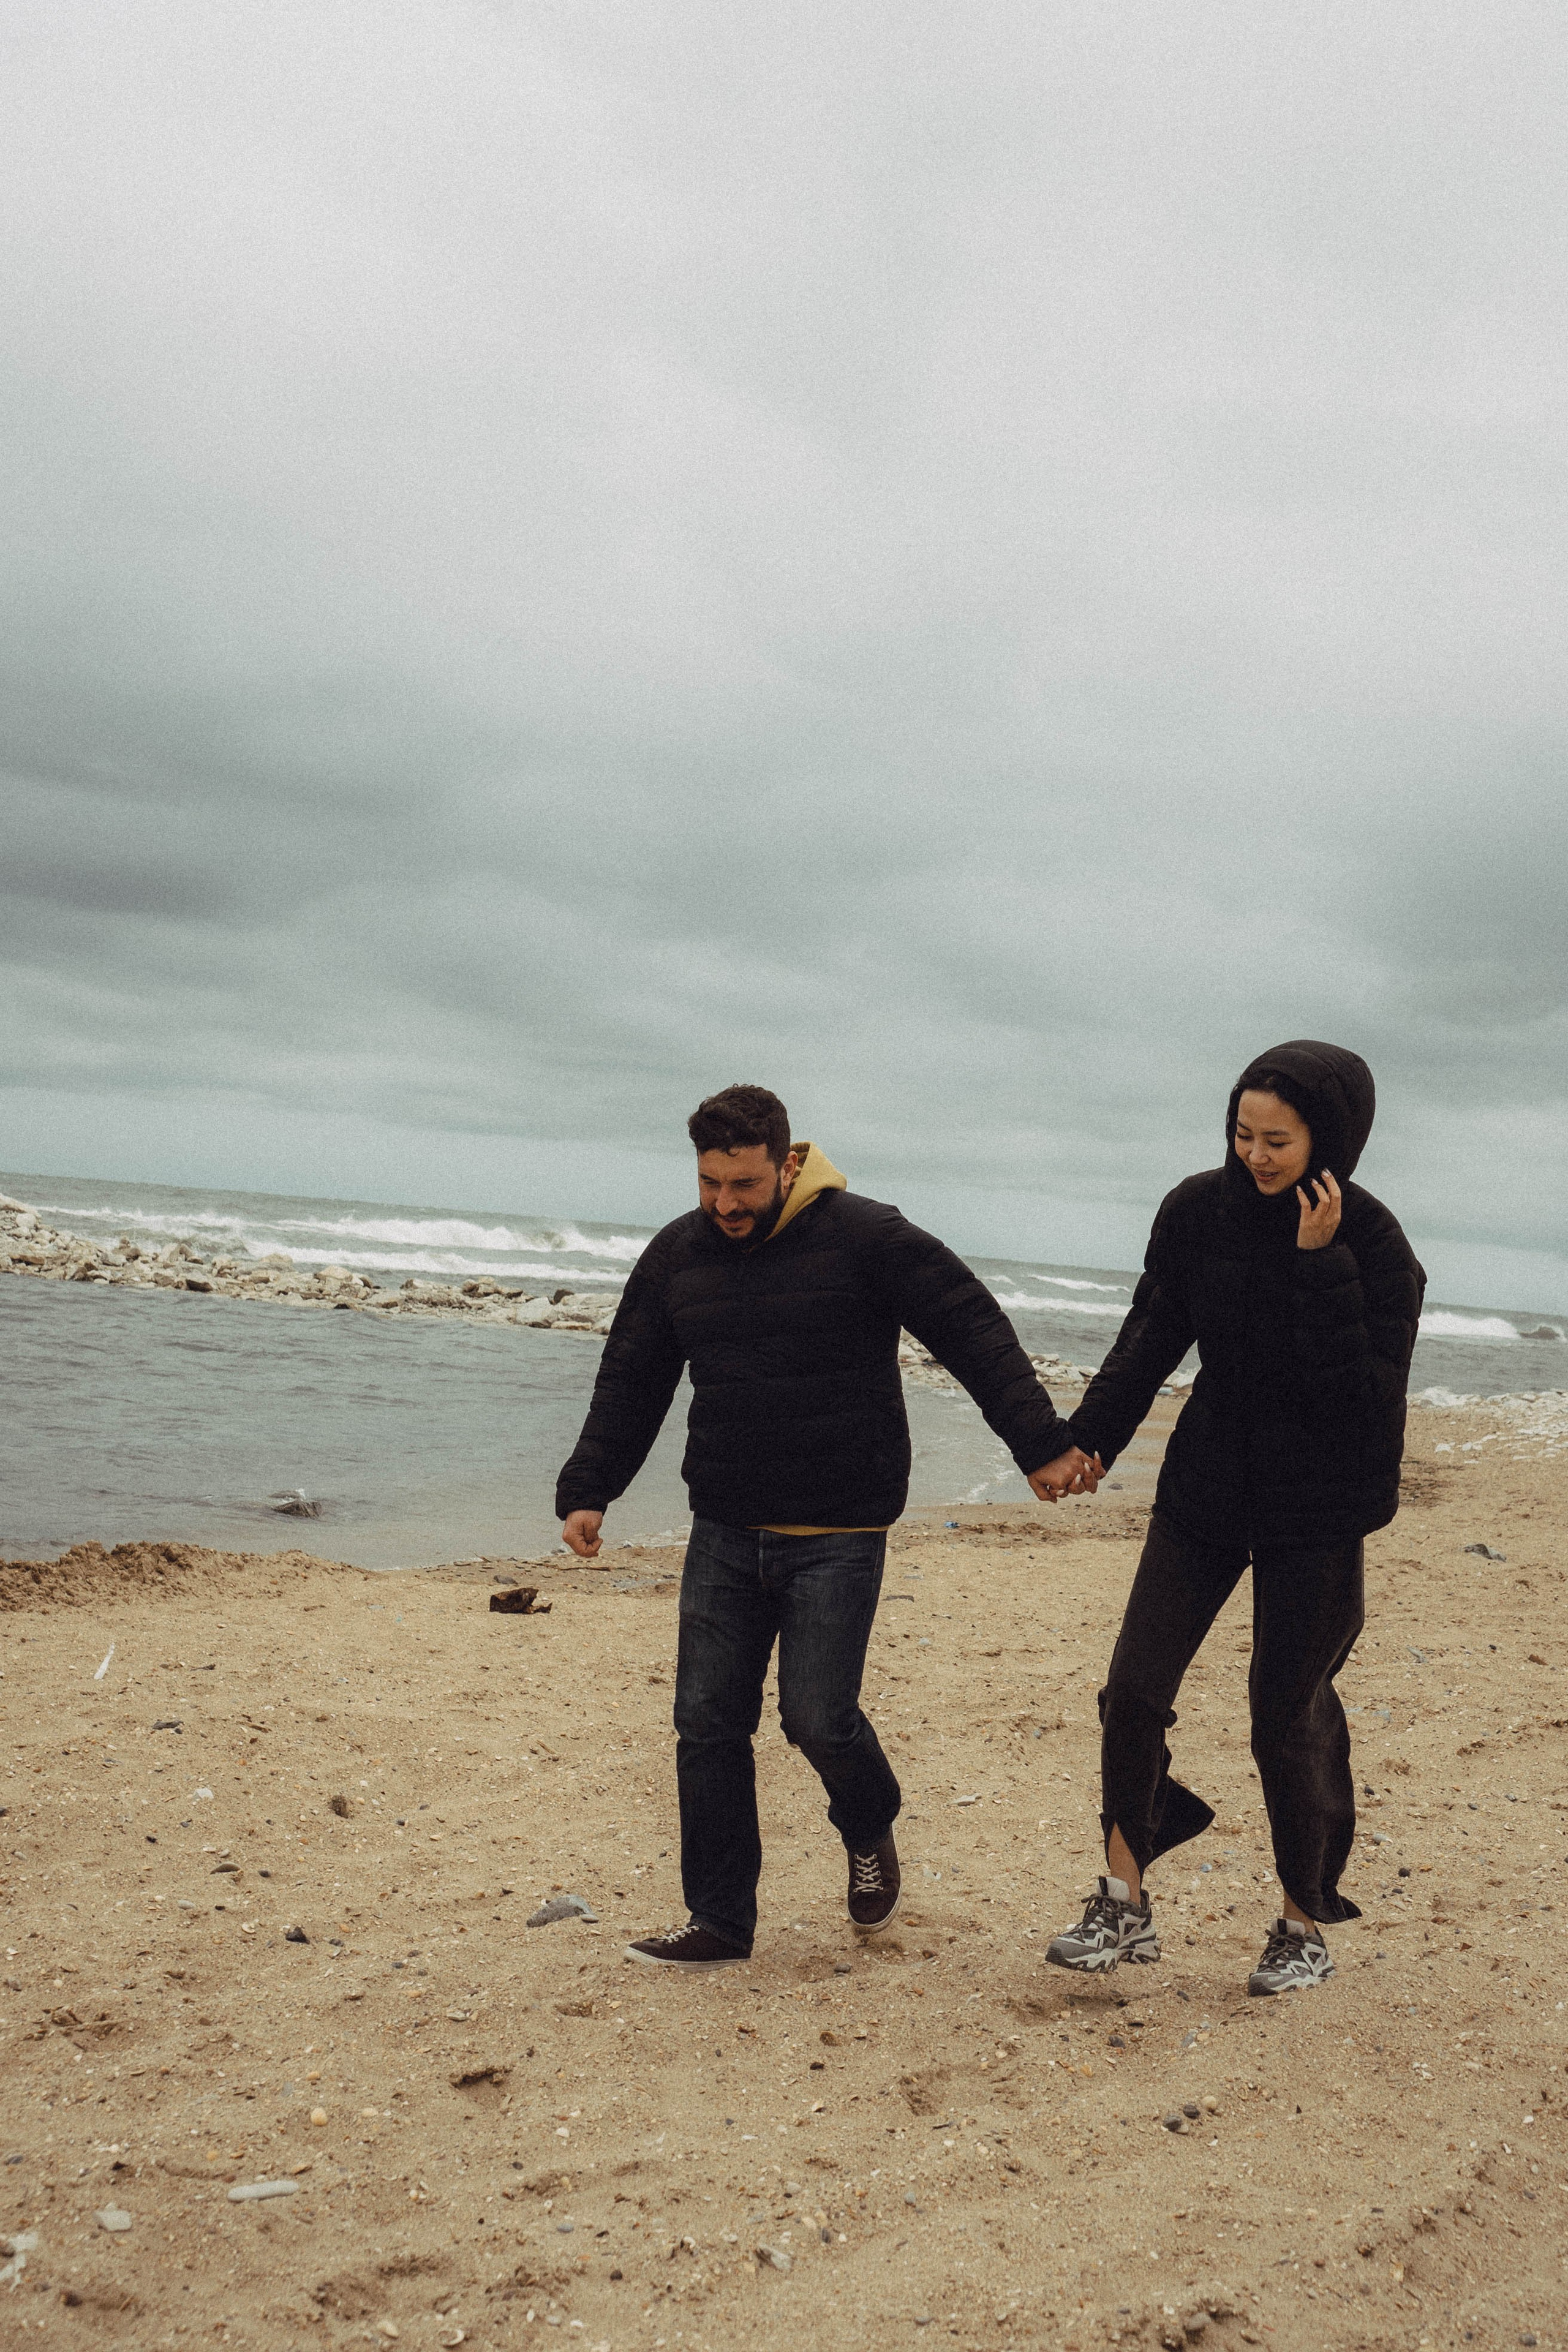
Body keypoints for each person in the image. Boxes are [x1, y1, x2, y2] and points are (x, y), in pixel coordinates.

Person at [555, 1083, 1098, 1970]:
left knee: (817, 1718)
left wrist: (1039, 1442)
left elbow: (969, 1328)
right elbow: (632, 1378)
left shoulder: (865, 1236)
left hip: (839, 1532)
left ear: (786, 1164)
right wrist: (591, 1488)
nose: (725, 1204)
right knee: (707, 1725)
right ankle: (721, 1920)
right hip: (725, 1528)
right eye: (709, 1184)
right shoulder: (678, 1255)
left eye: (744, 1184)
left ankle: (869, 1823)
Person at [1044, 1041, 1425, 1995]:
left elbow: (1364, 1405)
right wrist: (1092, 1437)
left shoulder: (1375, 1247)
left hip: (1321, 1503)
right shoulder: (1196, 1212)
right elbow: (1150, 1336)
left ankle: (1303, 1923)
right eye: (1243, 1133)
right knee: (1131, 1690)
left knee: (1283, 1717)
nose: (1255, 1155)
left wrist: (1316, 1263)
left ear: (1330, 1139)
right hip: (1209, 1483)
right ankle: (1124, 1905)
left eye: (1278, 1141)